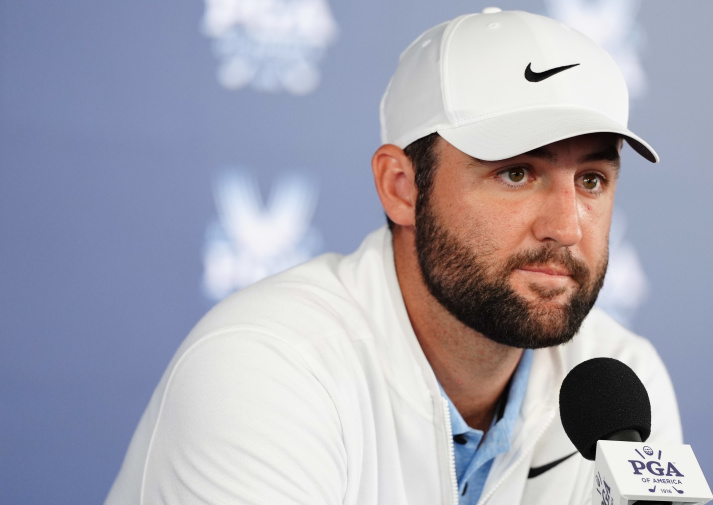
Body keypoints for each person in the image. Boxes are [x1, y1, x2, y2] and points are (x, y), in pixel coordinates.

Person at [105, 8, 682, 505]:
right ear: (401, 186)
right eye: (516, 172)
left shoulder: (619, 383)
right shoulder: (266, 367)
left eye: (591, 180)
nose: (565, 226)